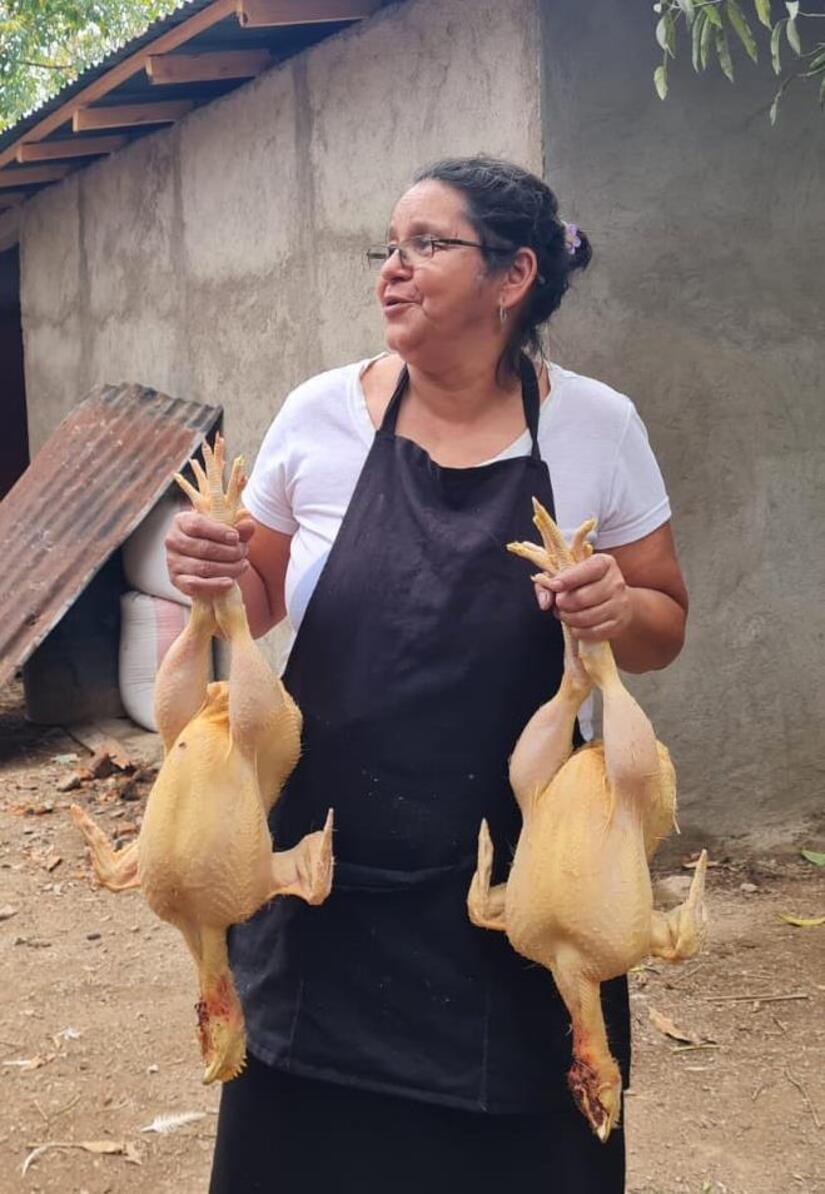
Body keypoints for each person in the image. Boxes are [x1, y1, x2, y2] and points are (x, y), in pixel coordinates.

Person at [165, 156, 688, 1193]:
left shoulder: (598, 426)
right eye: (387, 248)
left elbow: (665, 620)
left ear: (513, 276)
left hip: (525, 894)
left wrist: (616, 609)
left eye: (426, 245)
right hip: (326, 884)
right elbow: (259, 596)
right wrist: (210, 571)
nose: (391, 272)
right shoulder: (318, 413)